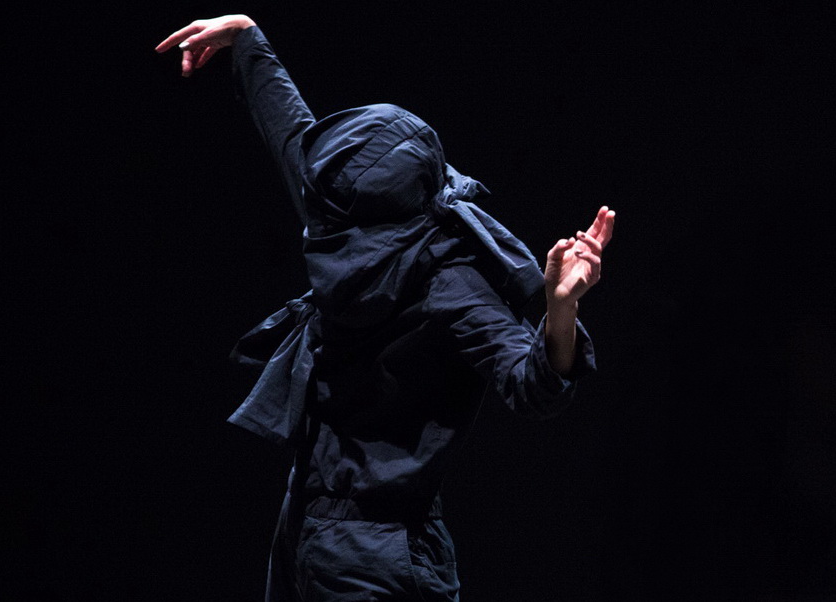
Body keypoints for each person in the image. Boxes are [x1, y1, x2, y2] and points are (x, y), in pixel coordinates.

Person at [156, 15, 615, 601]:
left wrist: (248, 38)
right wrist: (559, 307)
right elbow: (292, 134)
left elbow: (532, 386)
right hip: (321, 534)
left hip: (368, 545)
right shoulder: (371, 225)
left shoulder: (393, 252)